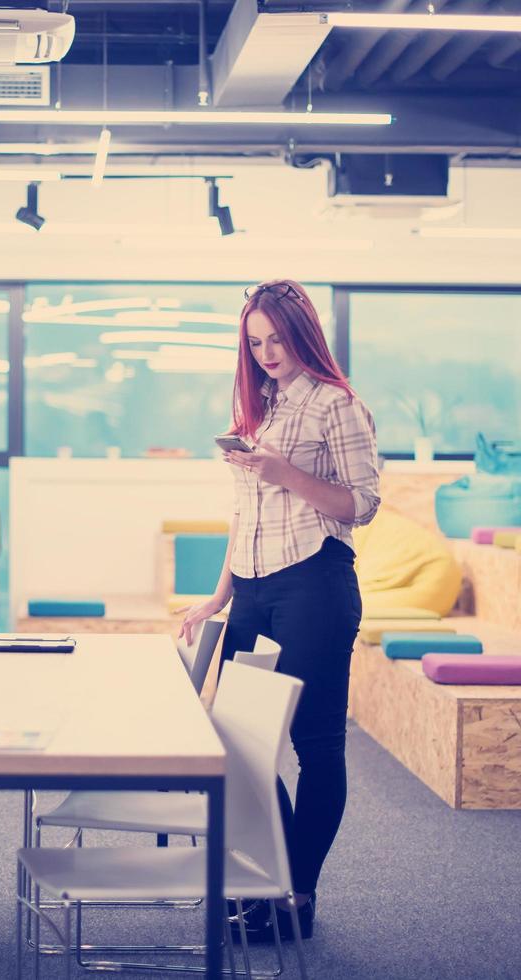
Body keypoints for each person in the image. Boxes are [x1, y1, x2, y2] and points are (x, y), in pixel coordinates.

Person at [179, 278, 380, 942]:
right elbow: (247, 514)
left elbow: (362, 505)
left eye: (276, 338)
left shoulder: (336, 405)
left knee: (313, 746)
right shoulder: (259, 408)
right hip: (256, 588)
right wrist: (220, 593)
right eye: (255, 341)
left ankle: (295, 894)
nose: (266, 352)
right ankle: (268, 882)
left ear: (302, 333)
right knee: (236, 741)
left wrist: (285, 473)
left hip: (315, 585)